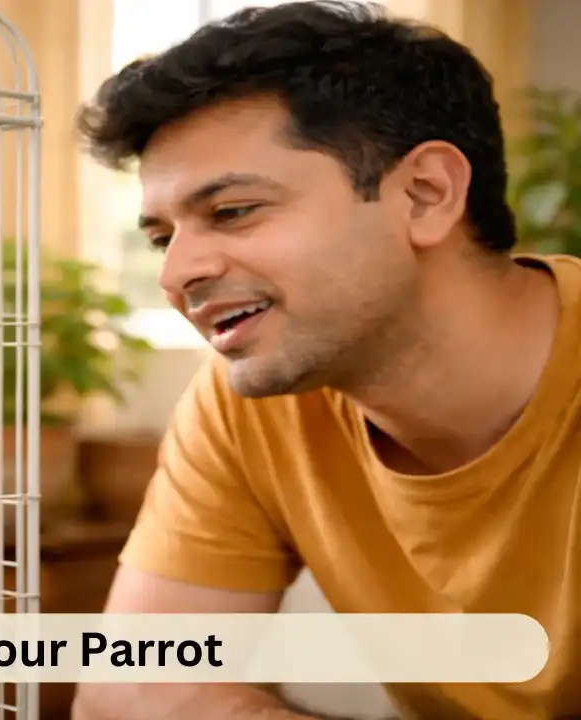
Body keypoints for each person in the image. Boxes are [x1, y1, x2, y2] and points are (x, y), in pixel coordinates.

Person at [70, 1, 581, 719]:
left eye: (234, 211)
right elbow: (131, 689)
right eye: (161, 238)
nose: (176, 274)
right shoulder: (248, 404)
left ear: (425, 194)